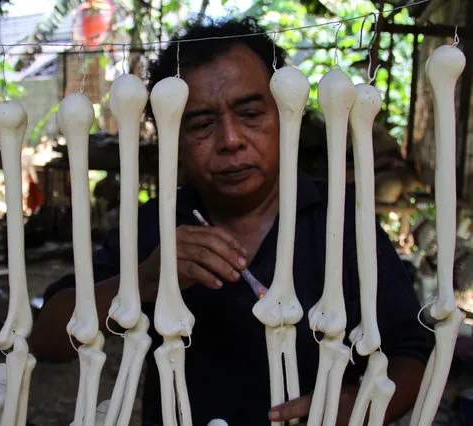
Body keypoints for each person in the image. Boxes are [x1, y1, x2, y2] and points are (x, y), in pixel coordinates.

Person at [30, 17, 434, 426]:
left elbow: (411, 347)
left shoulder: (340, 217)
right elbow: (47, 339)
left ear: (285, 114)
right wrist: (144, 280)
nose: (230, 140)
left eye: (251, 113)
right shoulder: (153, 224)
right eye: (202, 124)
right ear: (170, 136)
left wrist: (359, 405)